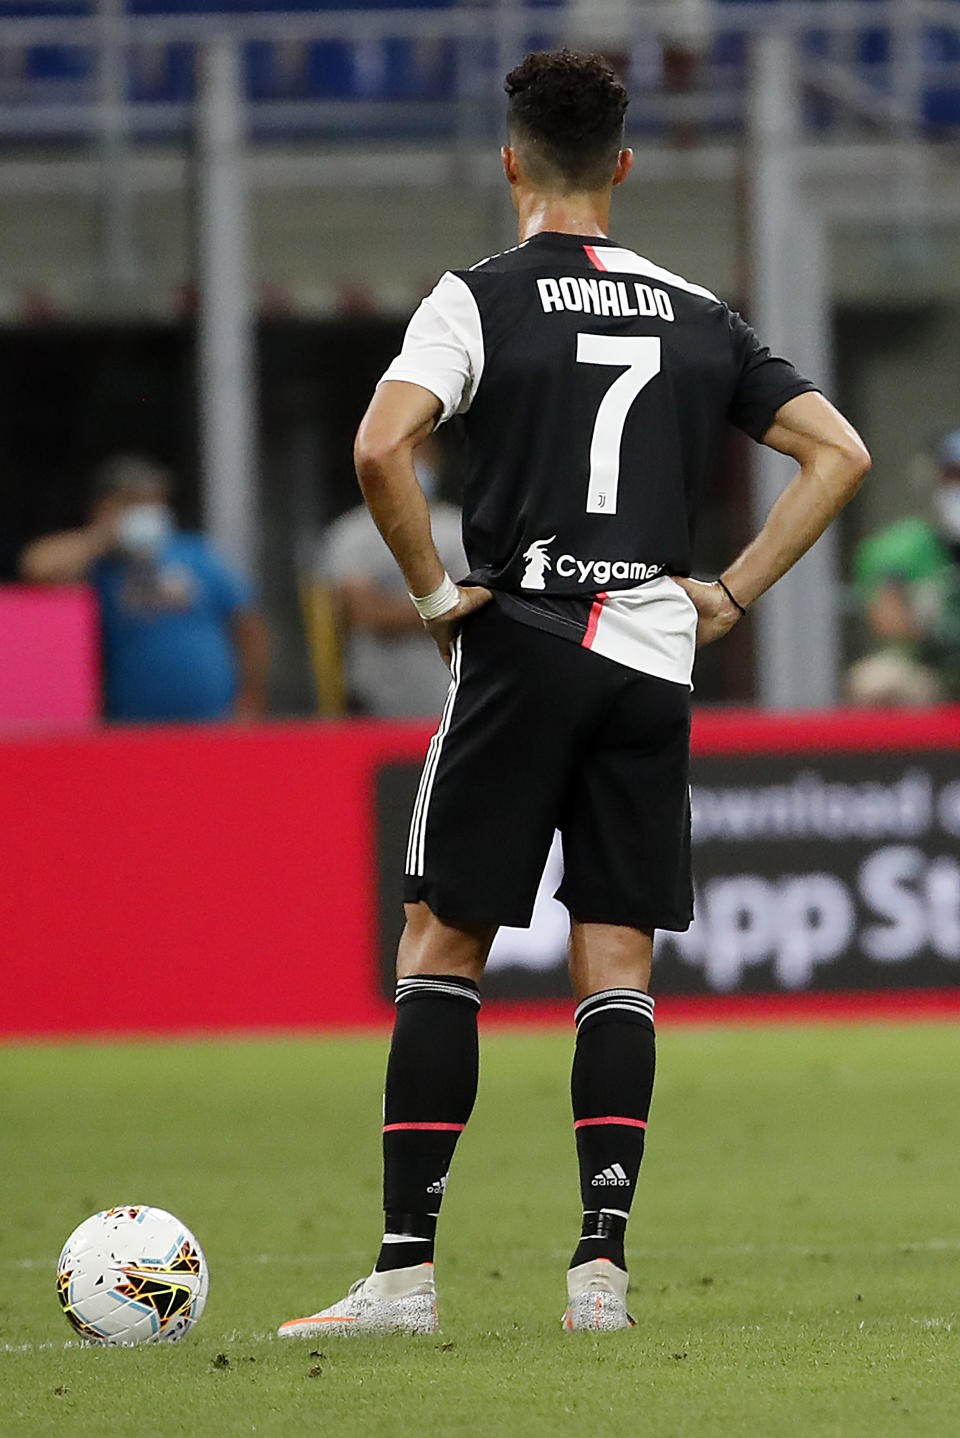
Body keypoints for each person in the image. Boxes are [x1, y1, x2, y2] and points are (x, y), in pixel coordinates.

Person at [278, 50, 869, 1339]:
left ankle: (401, 1276)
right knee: (618, 959)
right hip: (654, 658)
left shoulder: (475, 299)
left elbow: (383, 446)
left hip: (526, 637)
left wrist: (436, 596)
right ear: (625, 166)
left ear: (509, 165)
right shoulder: (700, 311)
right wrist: (732, 592)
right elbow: (839, 452)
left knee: (444, 943)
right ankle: (599, 1272)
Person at [20, 455, 269, 723]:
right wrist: (102, 536)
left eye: (154, 502)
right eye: (135, 504)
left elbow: (249, 625)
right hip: (130, 726)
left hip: (212, 721)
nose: (149, 513)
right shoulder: (99, 567)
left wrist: (250, 695)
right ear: (105, 508)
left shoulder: (195, 555)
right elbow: (36, 567)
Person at [320, 437, 466, 716]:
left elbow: (472, 608)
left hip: (451, 697)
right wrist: (442, 606)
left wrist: (395, 607)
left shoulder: (460, 527)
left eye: (422, 452)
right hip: (375, 702)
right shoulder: (351, 534)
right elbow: (364, 613)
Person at [847, 428, 960, 705]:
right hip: (932, 669)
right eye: (953, 474)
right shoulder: (901, 547)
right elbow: (889, 623)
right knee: (878, 683)